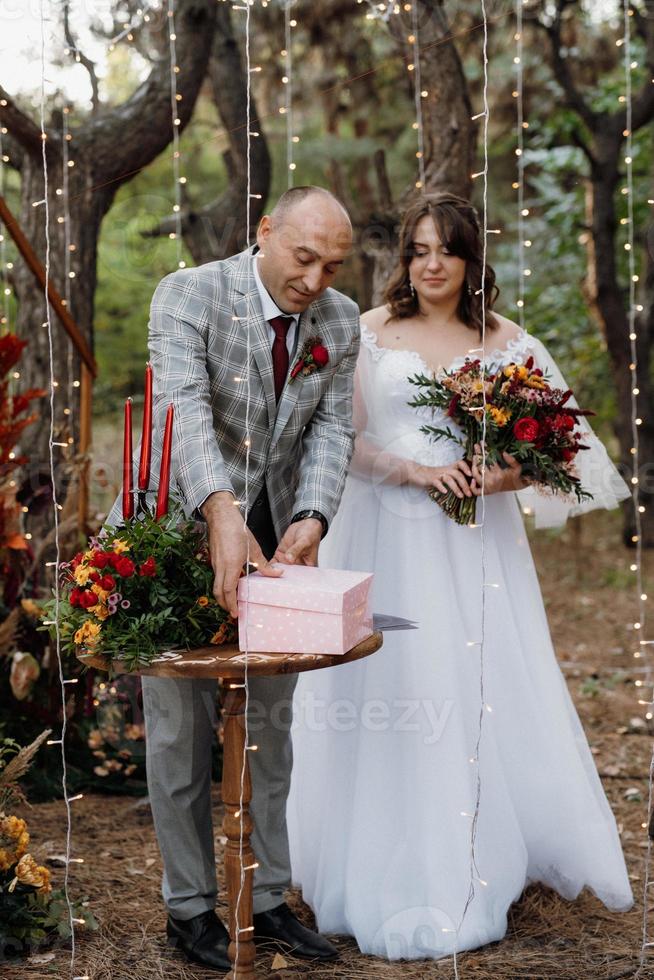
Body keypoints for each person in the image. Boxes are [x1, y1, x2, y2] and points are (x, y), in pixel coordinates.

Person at [287, 193, 634, 961]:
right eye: (417, 249)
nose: (431, 263)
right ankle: (359, 851)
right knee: (380, 685)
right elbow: (342, 438)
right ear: (404, 260)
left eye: (446, 249)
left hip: (471, 546)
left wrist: (490, 478)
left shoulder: (508, 343)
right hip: (379, 533)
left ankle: (470, 850)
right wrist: (411, 469)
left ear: (473, 260)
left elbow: (558, 459)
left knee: (467, 681)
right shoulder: (370, 333)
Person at [108, 186, 359, 971]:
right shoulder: (189, 293)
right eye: (303, 257)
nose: (316, 280)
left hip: (279, 557)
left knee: (271, 730)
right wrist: (218, 508)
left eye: (332, 265)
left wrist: (312, 517)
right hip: (171, 538)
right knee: (180, 736)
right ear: (265, 232)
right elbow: (178, 405)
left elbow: (332, 426)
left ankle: (270, 898)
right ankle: (190, 911)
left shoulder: (341, 322)